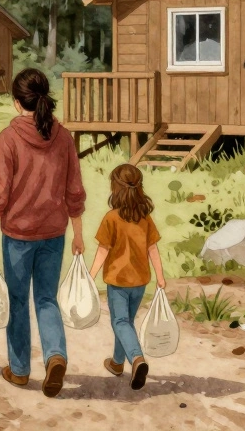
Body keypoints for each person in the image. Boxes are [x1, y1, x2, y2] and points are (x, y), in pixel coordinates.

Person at [0, 68, 86, 398]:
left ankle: (21, 370)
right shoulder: (64, 136)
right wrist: (79, 234)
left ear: (16, 103)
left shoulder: (8, 139)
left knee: (17, 300)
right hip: (55, 233)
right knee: (46, 299)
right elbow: (75, 191)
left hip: (17, 236)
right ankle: (55, 355)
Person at [88, 163, 165, 391]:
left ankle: (137, 358)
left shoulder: (111, 218)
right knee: (126, 324)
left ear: (115, 188)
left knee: (120, 322)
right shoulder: (145, 218)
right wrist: (160, 277)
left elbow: (103, 249)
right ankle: (117, 363)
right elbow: (153, 249)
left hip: (118, 281)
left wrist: (90, 276)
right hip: (141, 280)